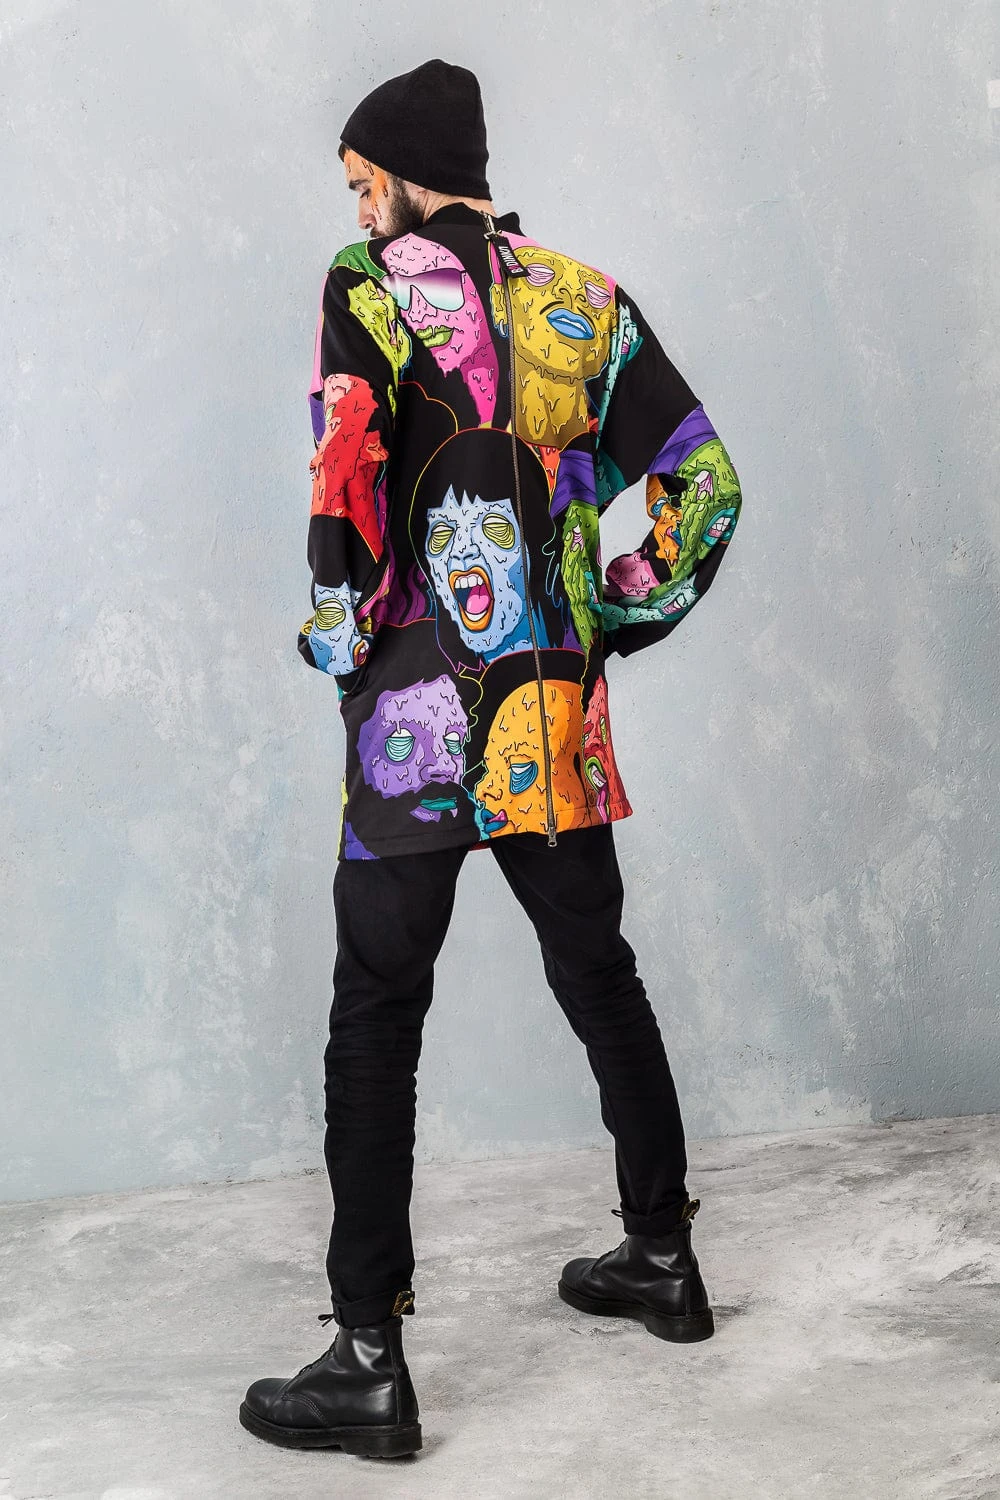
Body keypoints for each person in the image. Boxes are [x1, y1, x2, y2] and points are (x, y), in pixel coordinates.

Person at [239, 57, 743, 1459]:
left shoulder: (371, 282)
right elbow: (706, 480)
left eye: (364, 184)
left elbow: (346, 475)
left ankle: (366, 1357)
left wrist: (342, 637)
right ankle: (664, 1258)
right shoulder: (587, 297)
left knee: (376, 1010)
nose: (359, 210)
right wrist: (607, 615)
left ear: (408, 178)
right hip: (552, 714)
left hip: (418, 711)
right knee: (599, 970)